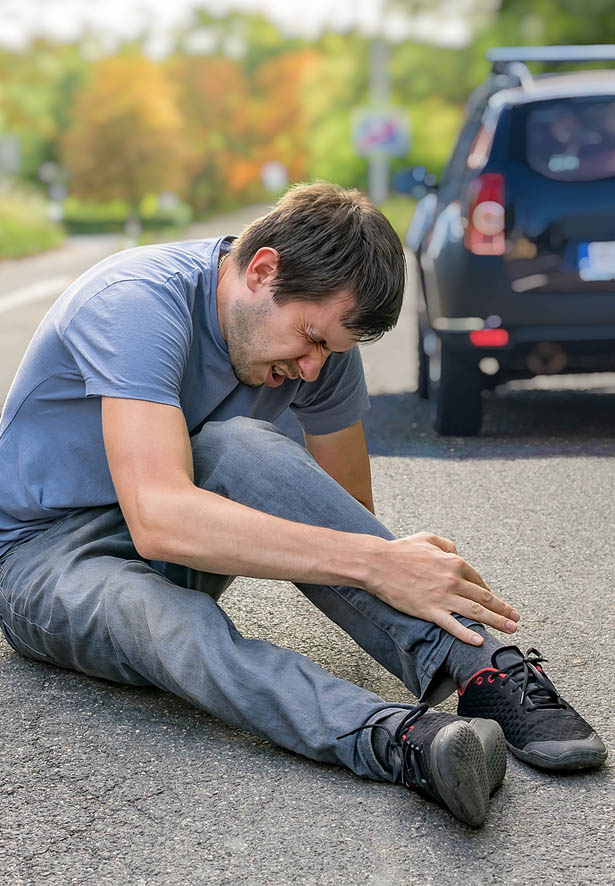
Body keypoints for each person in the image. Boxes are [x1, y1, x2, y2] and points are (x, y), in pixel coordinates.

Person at [0, 183, 607, 828]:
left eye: (332, 351)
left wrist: (387, 563)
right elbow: (159, 517)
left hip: (171, 533)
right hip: (43, 555)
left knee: (240, 445)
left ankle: (484, 670)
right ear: (262, 270)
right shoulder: (134, 304)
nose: (314, 368)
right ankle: (400, 742)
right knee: (166, 619)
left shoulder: (319, 352)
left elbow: (339, 508)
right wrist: (378, 559)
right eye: (310, 338)